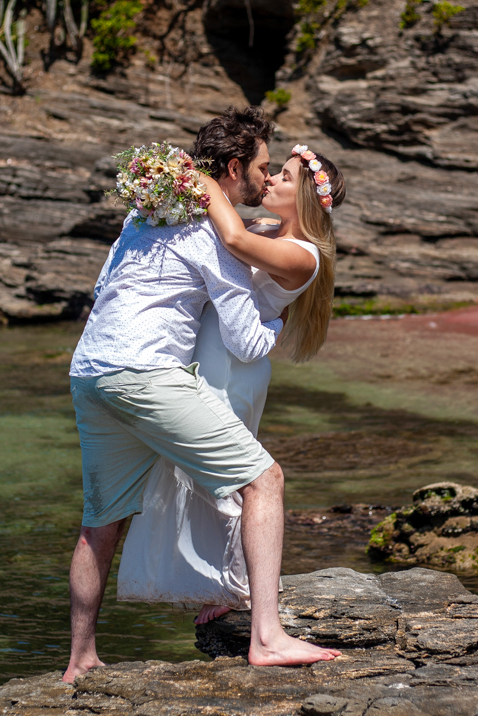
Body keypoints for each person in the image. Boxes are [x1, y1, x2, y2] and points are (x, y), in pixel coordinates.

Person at [63, 107, 340, 683]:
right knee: (263, 480)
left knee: (100, 521)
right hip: (147, 373)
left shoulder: (147, 213)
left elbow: (102, 283)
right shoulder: (214, 234)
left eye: (280, 173)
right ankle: (267, 636)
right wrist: (273, 329)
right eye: (265, 168)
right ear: (234, 169)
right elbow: (244, 333)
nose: (268, 179)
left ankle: (80, 660)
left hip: (91, 369)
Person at [116, 140, 347, 625]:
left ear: (303, 195)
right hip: (211, 354)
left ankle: (239, 587)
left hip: (233, 366)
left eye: (284, 176)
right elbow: (218, 236)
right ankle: (221, 582)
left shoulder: (303, 255)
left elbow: (234, 243)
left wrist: (199, 180)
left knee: (228, 479)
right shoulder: (268, 228)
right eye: (274, 172)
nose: (272, 181)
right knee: (202, 474)